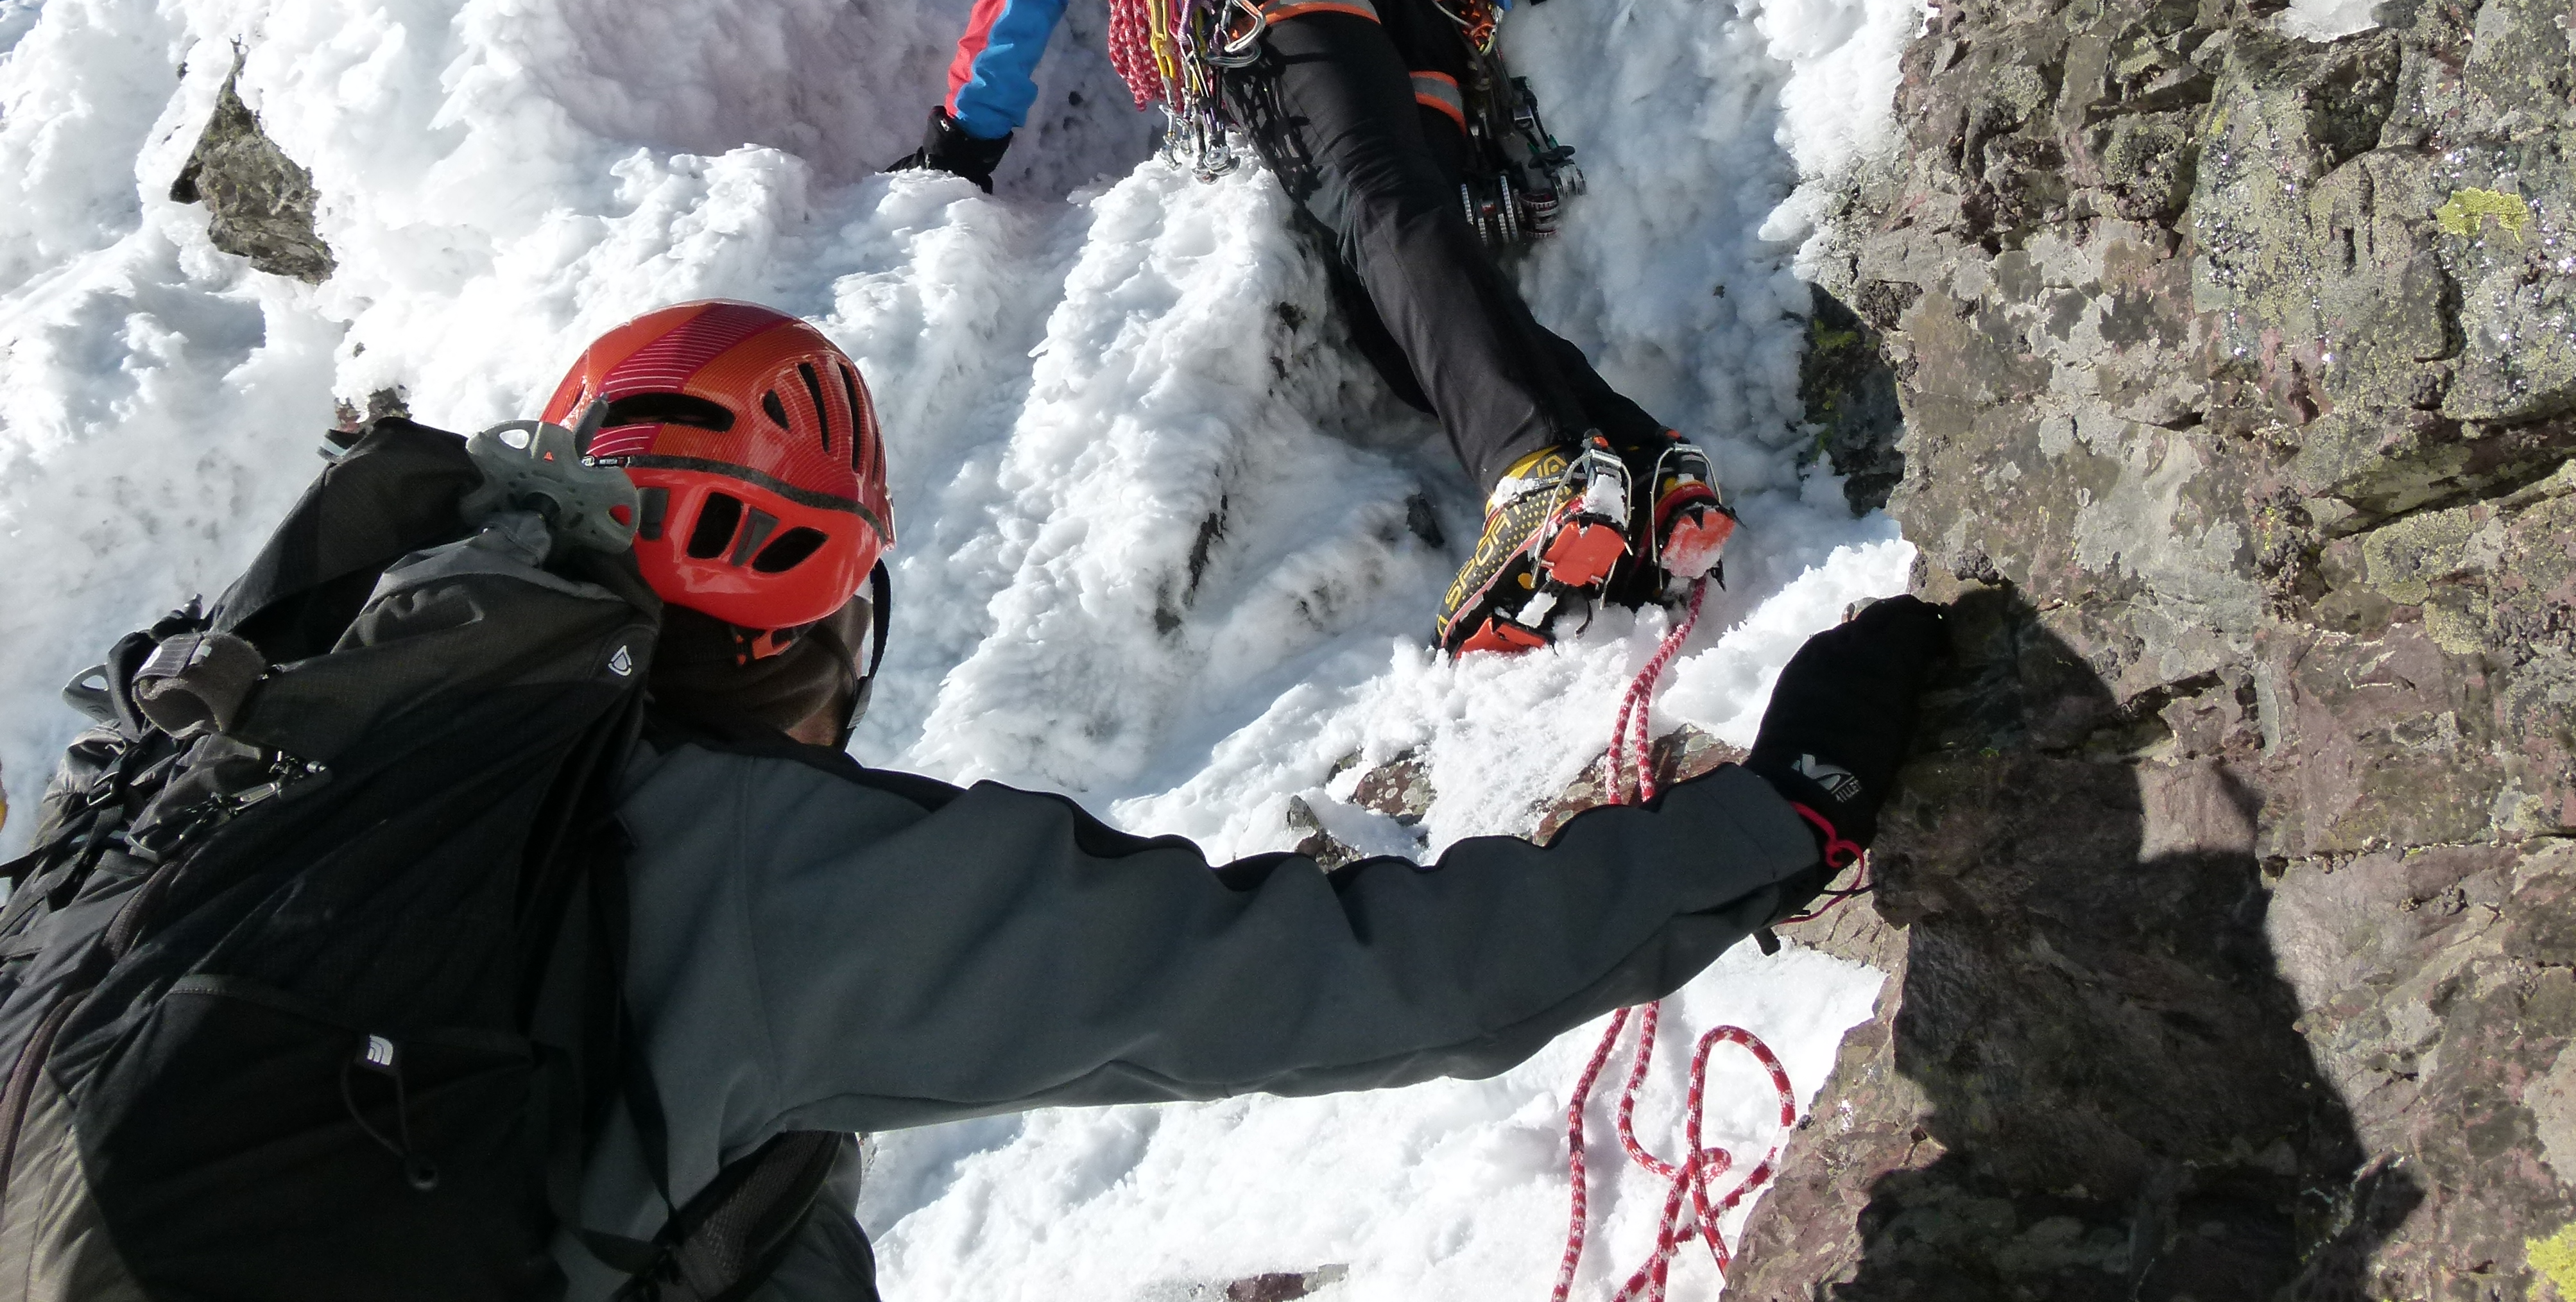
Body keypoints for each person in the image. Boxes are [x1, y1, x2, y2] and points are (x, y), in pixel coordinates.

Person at [0, 301, 1944, 1302]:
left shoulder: (277, 746)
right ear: (820, 605)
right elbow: (1348, 977)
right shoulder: (754, 867)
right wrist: (1781, 816)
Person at [905, 0, 1737, 655]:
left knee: (1379, 212)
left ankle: (1535, 476)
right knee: (1392, 277)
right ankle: (1643, 471)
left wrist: (963, 141)